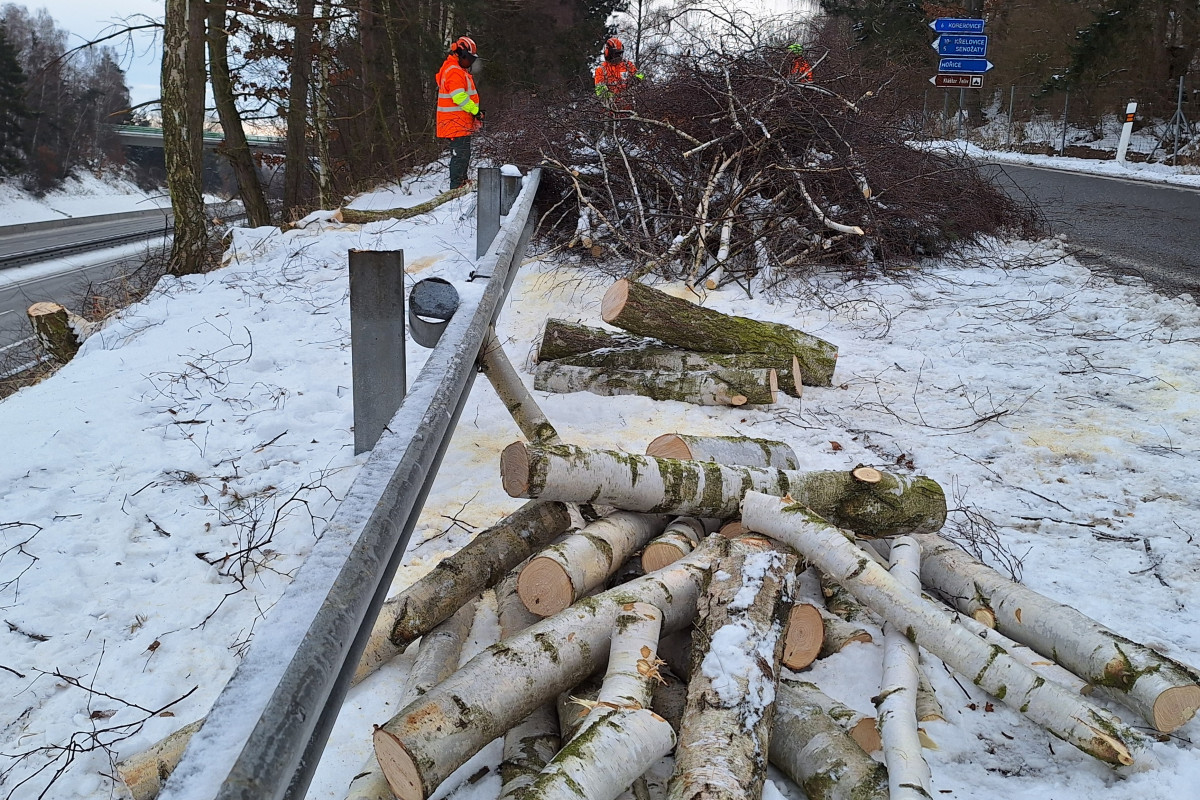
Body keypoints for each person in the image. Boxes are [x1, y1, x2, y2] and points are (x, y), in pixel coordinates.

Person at [436, 35, 483, 190]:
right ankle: (456, 187)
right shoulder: (454, 71)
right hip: (455, 122)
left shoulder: (457, 70)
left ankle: (462, 183)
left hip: (459, 122)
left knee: (463, 155)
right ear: (461, 54)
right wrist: (475, 110)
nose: (470, 62)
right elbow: (459, 96)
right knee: (460, 156)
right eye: (469, 58)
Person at [593, 37, 642, 102]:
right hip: (612, 106)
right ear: (608, 53)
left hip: (630, 104)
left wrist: (636, 80)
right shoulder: (601, 70)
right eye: (616, 54)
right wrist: (616, 97)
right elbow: (600, 91)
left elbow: (641, 76)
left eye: (620, 53)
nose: (619, 56)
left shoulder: (627, 65)